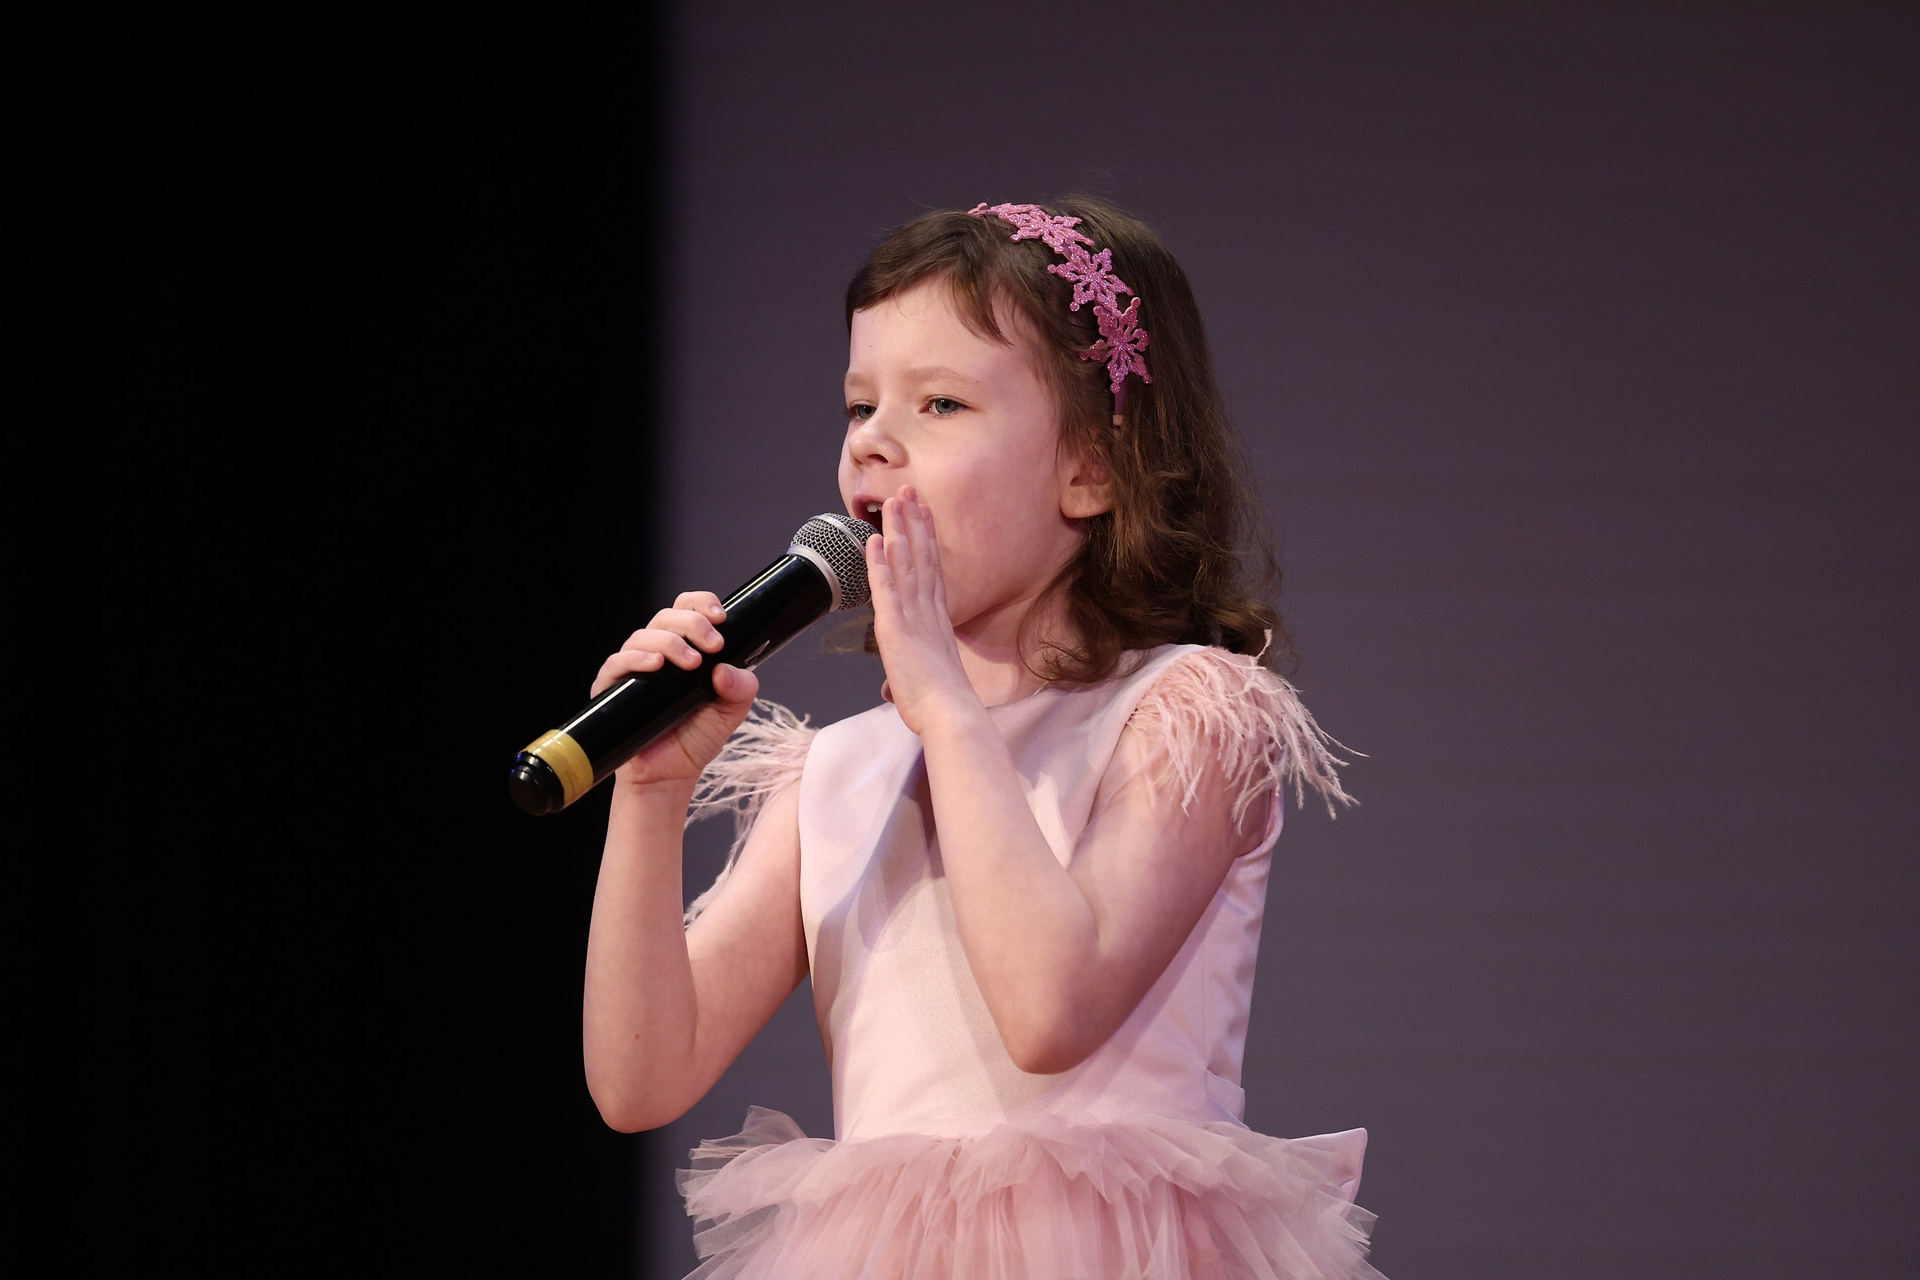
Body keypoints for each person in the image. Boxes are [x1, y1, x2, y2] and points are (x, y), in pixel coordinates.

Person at [583, 197, 1384, 1278]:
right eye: (860, 405)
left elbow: (1050, 1010)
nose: (874, 441)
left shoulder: (1187, 713)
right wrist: (649, 794)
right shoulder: (840, 769)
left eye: (941, 403)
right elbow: (641, 1077)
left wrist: (950, 711)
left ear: (1093, 469)